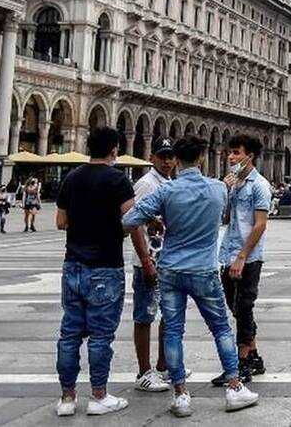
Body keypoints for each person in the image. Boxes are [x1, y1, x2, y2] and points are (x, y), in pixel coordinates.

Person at [121, 136, 259, 416]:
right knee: (221, 328)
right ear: (201, 158)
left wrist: (157, 219)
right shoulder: (218, 188)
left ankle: (181, 395)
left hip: (171, 270)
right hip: (204, 269)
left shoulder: (166, 191)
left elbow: (128, 220)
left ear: (177, 160)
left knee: (173, 331)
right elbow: (224, 214)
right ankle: (234, 388)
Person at [54, 127, 145, 417]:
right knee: (101, 336)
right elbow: (132, 220)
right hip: (105, 266)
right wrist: (112, 228)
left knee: (69, 334)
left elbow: (60, 221)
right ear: (114, 150)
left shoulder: (71, 178)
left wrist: (83, 223)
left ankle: (67, 398)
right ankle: (98, 395)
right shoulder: (118, 179)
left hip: (72, 266)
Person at [220, 134, 272, 385]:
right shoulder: (233, 184)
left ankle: (241, 365)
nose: (231, 157)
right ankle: (254, 355)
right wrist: (223, 190)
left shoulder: (259, 185)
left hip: (248, 257)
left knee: (243, 307)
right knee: (237, 308)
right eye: (230, 152)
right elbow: (226, 218)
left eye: (236, 153)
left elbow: (260, 224)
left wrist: (242, 256)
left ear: (249, 156)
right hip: (227, 253)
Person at [131, 138, 177, 393]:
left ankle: (163, 366)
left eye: (170, 156)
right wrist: (146, 262)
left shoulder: (168, 182)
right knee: (144, 316)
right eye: (162, 156)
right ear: (152, 157)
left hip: (166, 261)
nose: (167, 161)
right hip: (148, 262)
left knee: (168, 315)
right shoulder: (147, 184)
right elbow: (133, 223)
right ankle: (144, 371)